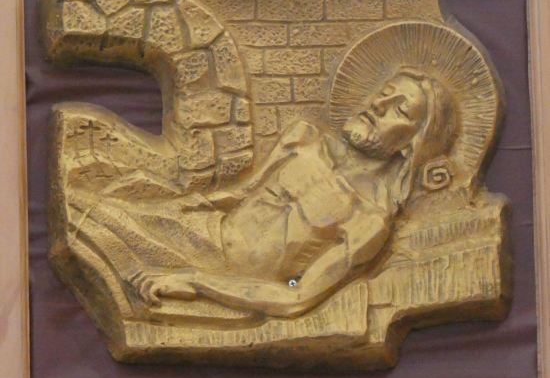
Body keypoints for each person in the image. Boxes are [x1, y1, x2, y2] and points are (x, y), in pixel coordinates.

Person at [77, 68, 458, 318]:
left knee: (89, 217)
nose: (378, 105)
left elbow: (295, 295)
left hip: (223, 273)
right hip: (201, 230)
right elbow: (243, 192)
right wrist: (177, 206)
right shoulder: (305, 139)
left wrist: (195, 282)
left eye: (399, 110)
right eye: (384, 94)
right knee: (87, 209)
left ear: (413, 144)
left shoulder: (368, 220)